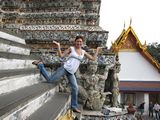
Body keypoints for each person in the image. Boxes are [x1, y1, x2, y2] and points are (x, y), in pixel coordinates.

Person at [32, 36, 102, 113]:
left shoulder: (83, 52)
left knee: (75, 88)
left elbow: (93, 58)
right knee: (50, 80)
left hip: (71, 73)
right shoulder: (71, 49)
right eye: (77, 41)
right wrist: (58, 46)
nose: (79, 43)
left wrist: (97, 50)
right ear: (75, 42)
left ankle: (74, 106)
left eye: (80, 42)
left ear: (82, 43)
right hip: (64, 69)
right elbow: (61, 56)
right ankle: (41, 65)